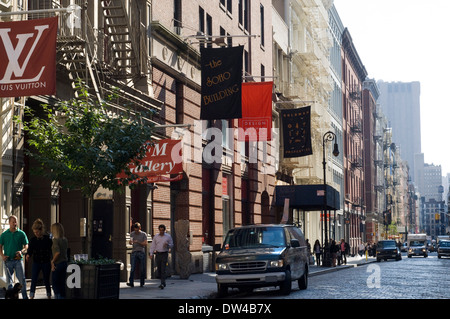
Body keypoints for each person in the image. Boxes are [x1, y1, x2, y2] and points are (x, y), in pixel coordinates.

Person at [0, 215, 29, 299]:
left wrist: (21, 251)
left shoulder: (21, 233)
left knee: (22, 280)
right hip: (8, 260)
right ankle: (11, 297)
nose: (15, 223)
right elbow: (0, 246)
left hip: (18, 260)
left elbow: (26, 246)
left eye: (16, 221)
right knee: (9, 282)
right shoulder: (4, 234)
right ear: (9, 223)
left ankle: (25, 297)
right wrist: (2, 255)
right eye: (13, 222)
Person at [26, 219, 53, 299]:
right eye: (34, 232)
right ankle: (31, 295)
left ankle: (49, 295)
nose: (36, 234)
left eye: (37, 232)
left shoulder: (47, 239)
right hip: (36, 262)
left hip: (46, 261)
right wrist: (28, 255)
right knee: (34, 279)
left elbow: (51, 250)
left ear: (41, 230)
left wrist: (52, 260)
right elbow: (30, 250)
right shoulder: (33, 240)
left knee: (46, 280)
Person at [149, 224, 173, 289]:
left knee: (163, 268)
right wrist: (151, 253)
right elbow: (153, 245)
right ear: (159, 230)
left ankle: (163, 283)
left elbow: (172, 245)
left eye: (162, 230)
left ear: (164, 230)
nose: (161, 231)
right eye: (160, 230)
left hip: (164, 253)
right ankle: (162, 280)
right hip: (158, 253)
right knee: (159, 268)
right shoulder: (156, 237)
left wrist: (168, 245)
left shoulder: (168, 236)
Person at [50, 223, 68, 299]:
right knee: (62, 284)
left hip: (58, 263)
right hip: (64, 263)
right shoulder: (65, 240)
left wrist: (52, 261)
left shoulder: (55, 240)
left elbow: (57, 252)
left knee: (55, 284)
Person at [127, 222, 148, 287]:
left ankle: (142, 282)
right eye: (135, 230)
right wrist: (130, 242)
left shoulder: (143, 234)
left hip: (141, 252)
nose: (136, 231)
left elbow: (145, 243)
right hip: (134, 252)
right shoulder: (132, 234)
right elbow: (130, 243)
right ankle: (131, 282)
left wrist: (138, 242)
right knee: (132, 268)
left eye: (137, 230)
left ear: (140, 228)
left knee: (142, 268)